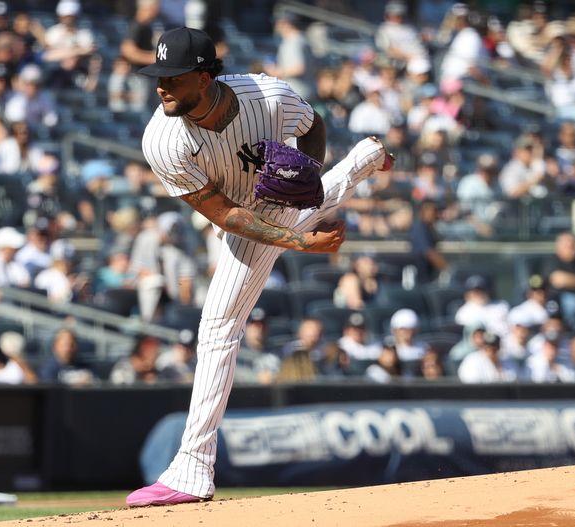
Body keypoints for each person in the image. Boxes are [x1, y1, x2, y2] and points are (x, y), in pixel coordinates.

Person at [127, 27, 394, 507]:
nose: (161, 85)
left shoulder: (267, 95)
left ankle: (193, 467)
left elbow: (312, 126)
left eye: (173, 76)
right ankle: (362, 161)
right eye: (157, 75)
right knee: (283, 226)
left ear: (205, 77)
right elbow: (226, 213)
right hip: (238, 212)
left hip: (269, 198)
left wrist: (304, 175)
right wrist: (298, 240)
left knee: (218, 327)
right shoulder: (162, 139)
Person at [544, 231, 575, 325]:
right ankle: (569, 331)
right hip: (558, 298)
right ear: (559, 247)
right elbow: (559, 280)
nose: (574, 248)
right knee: (573, 302)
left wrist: (573, 280)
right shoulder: (552, 261)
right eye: (570, 246)